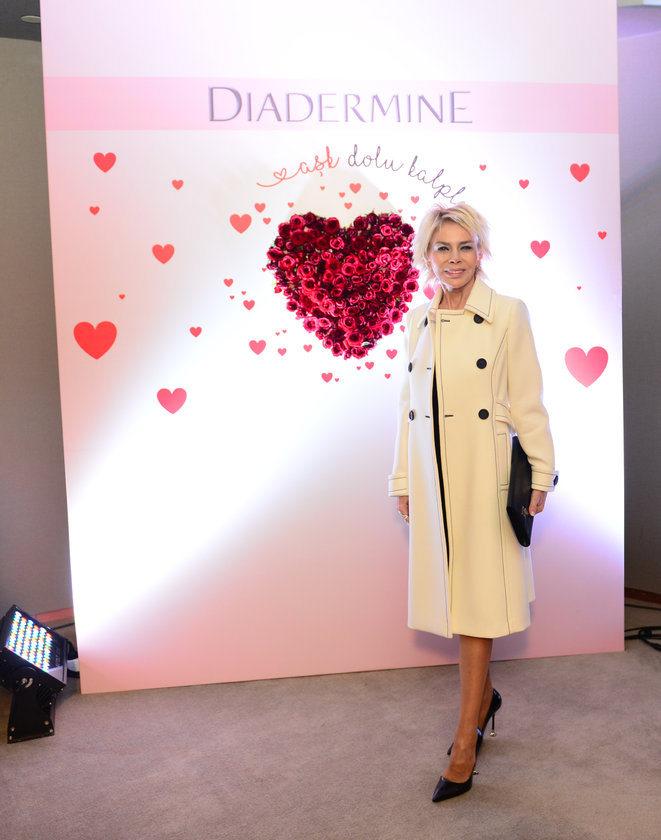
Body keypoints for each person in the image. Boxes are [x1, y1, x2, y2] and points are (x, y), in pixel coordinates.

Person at [388, 203, 557, 802]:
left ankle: (465, 742)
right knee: (456, 601)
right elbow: (409, 409)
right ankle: (483, 701)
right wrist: (403, 479)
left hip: (484, 475)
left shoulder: (508, 312)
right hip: (434, 480)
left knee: (479, 604)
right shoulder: (418, 321)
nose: (454, 258)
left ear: (480, 252)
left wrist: (541, 470)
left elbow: (528, 399)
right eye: (443, 247)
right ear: (427, 256)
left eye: (465, 246)